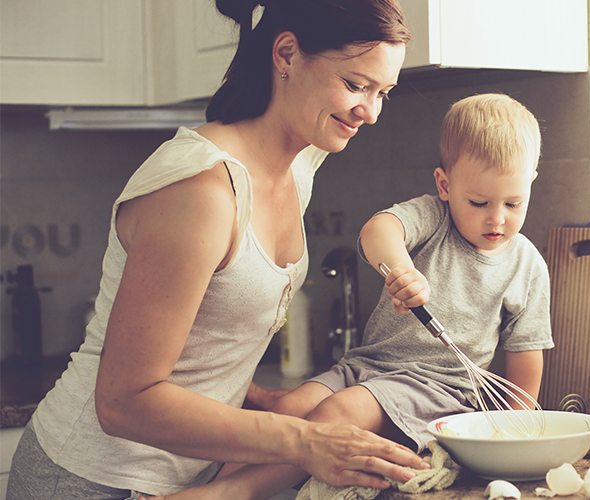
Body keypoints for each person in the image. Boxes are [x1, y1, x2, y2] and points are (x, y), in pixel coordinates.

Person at [6, 1, 433, 498]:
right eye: (356, 85)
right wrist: (303, 439)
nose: (372, 111)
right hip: (90, 480)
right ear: (287, 54)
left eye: (384, 92)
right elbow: (123, 400)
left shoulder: (301, 164)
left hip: (190, 477)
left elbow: (203, 333)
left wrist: (253, 396)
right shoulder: (202, 189)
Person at [161, 93, 555, 499]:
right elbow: (377, 232)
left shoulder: (527, 265)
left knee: (337, 414)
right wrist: (401, 268)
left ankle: (225, 495)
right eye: (479, 202)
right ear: (445, 184)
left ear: (530, 185)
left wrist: (511, 440)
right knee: (289, 411)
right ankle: (214, 487)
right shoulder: (432, 219)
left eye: (513, 202)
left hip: (439, 390)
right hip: (367, 366)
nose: (497, 217)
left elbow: (526, 363)